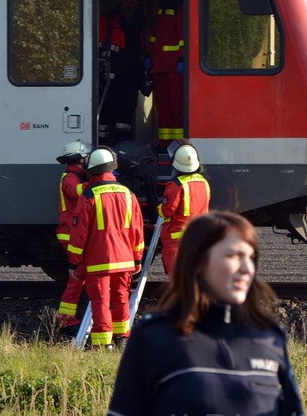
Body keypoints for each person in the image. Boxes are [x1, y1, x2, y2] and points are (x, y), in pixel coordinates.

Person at [94, 211, 307, 416]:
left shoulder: (269, 338)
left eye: (251, 257)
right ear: (198, 262)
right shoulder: (153, 338)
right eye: (233, 256)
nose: (246, 268)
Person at [67, 146, 145, 348]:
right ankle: (122, 338)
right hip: (126, 259)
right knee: (121, 297)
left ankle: (103, 343)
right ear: (112, 168)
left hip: (98, 261)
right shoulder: (129, 194)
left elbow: (79, 233)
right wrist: (137, 259)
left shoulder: (89, 196)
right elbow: (137, 231)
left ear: (92, 170)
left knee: (101, 299)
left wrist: (74, 262)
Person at [100, 0, 148, 144]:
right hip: (109, 80)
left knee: (125, 121)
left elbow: (144, 48)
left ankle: (123, 150)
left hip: (131, 80)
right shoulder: (107, 20)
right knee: (105, 121)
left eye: (133, 1)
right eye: (127, 1)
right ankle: (103, 150)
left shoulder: (140, 22)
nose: (130, 5)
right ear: (120, 1)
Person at [54, 139, 92, 332]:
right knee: (77, 278)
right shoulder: (70, 178)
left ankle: (68, 317)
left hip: (74, 234)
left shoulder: (74, 175)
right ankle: (65, 319)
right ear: (79, 159)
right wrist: (98, 180)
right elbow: (79, 194)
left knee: (80, 277)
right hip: (71, 235)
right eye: (86, 158)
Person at [158, 141, 211, 276]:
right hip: (199, 237)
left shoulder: (175, 185)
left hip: (177, 241)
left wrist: (158, 207)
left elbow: (166, 211)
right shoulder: (203, 182)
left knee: (179, 283)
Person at [149, 0, 184, 145]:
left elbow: (183, 36)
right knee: (162, 108)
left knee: (177, 108)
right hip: (159, 67)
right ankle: (165, 144)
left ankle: (177, 145)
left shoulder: (181, 8)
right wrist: (149, 56)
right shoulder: (162, 10)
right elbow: (155, 36)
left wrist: (182, 58)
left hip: (173, 68)